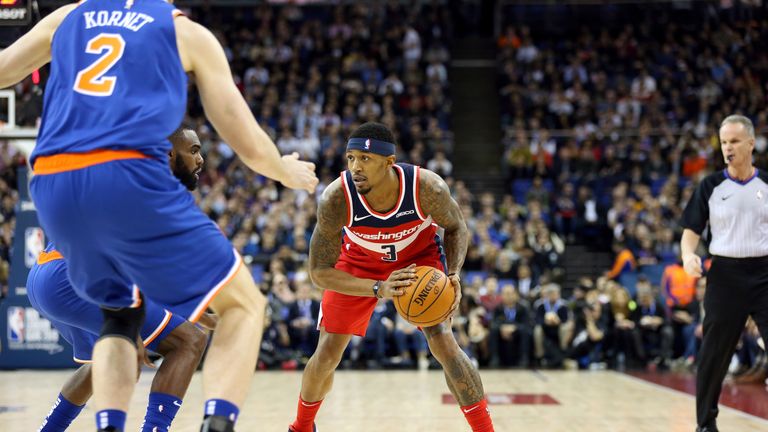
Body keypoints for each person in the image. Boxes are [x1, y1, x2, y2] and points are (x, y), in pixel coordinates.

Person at [0, 2, 318, 431]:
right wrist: (283, 170)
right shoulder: (185, 33)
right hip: (126, 174)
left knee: (119, 314)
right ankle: (217, 425)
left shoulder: (68, 16)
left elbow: (3, 70)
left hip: (52, 181)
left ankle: (110, 424)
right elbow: (241, 134)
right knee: (244, 305)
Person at [288, 122, 494, 432]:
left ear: (389, 163)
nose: (356, 167)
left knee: (445, 344)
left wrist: (453, 274)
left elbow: (456, 226)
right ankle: (301, 427)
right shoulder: (336, 199)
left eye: (365, 159)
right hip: (359, 261)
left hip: (417, 258)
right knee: (328, 352)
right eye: (351, 158)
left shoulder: (427, 188)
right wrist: (377, 288)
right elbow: (318, 272)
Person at [29, 128, 211, 432]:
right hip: (73, 278)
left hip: (47, 276)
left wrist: (198, 310)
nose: (200, 159)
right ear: (168, 153)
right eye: (193, 150)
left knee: (98, 365)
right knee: (189, 341)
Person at [681, 114, 768, 432]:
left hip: (764, 273)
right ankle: (705, 424)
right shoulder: (711, 185)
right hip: (724, 274)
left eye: (734, 141)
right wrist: (688, 255)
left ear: (750, 143)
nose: (728, 148)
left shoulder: (766, 184)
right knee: (713, 354)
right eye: (724, 143)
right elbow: (692, 229)